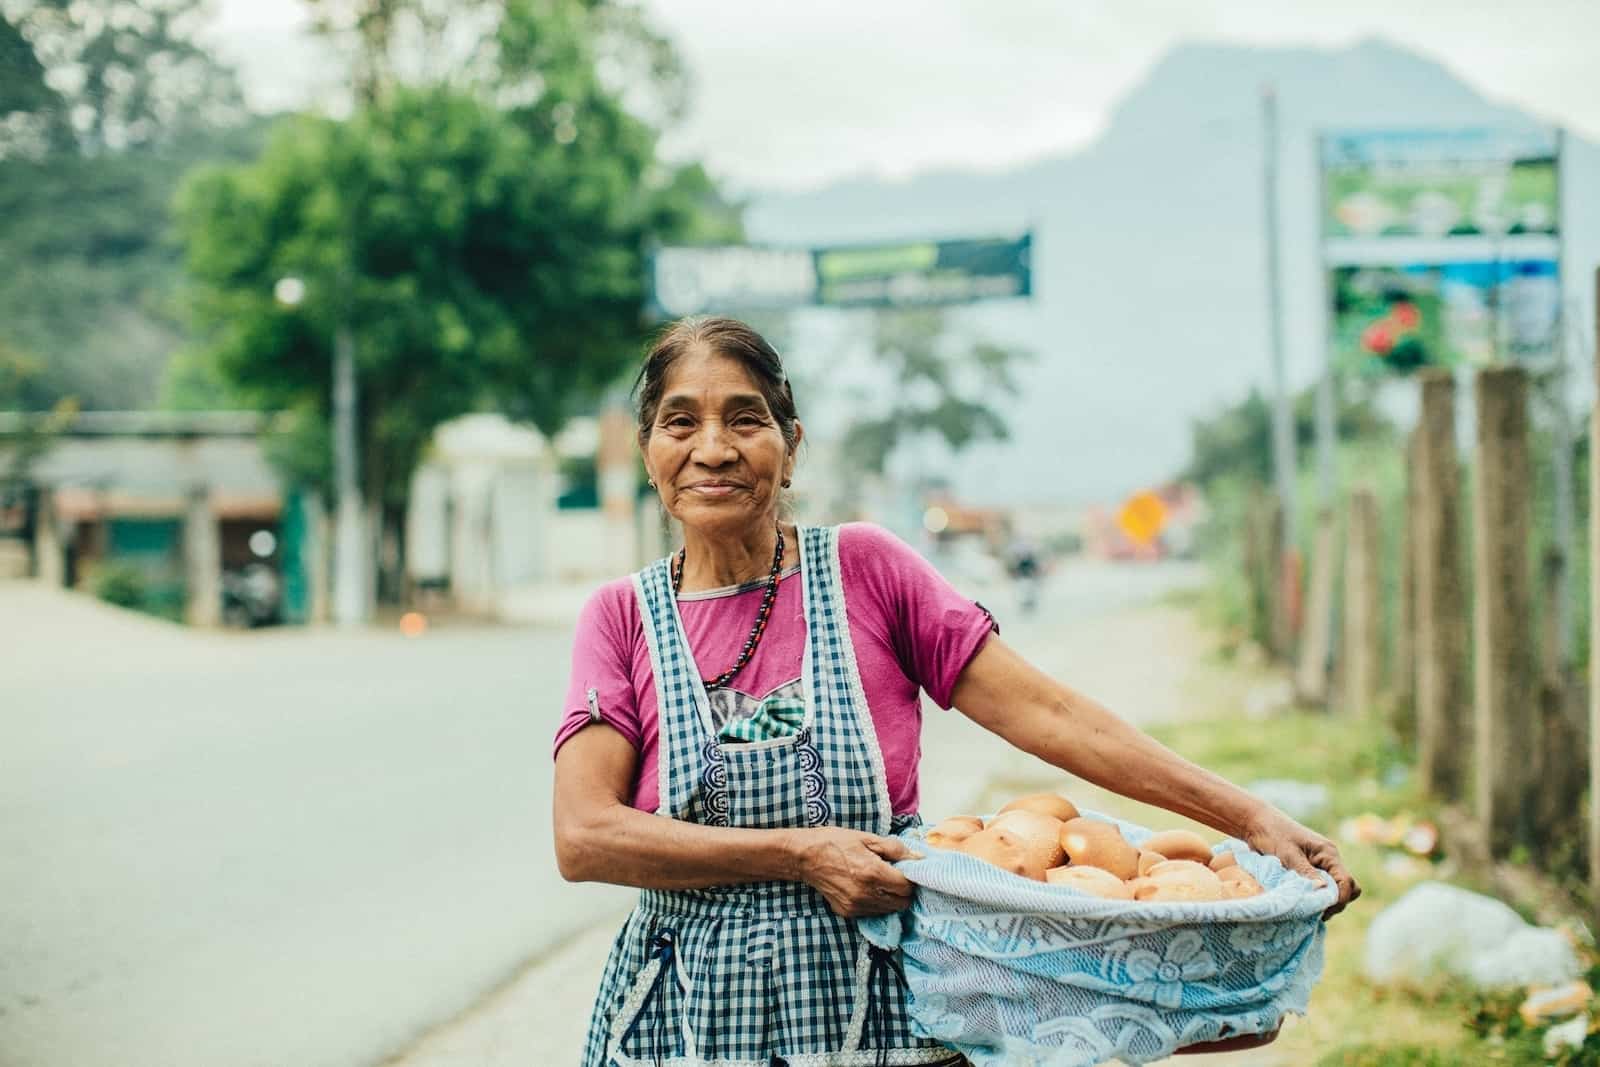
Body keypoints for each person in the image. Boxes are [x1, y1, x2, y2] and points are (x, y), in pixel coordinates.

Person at [552, 316, 1359, 1067]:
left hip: (884, 1003)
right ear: (651, 449)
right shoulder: (621, 618)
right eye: (682, 421)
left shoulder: (866, 570)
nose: (715, 447)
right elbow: (586, 834)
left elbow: (1051, 715)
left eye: (746, 418)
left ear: (791, 446)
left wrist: (1251, 818)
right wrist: (801, 854)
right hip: (689, 1017)